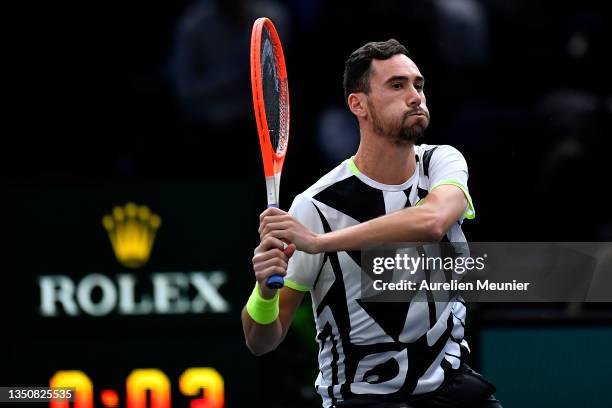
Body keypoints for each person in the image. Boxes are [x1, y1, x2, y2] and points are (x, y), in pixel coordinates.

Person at [241, 39, 501, 408]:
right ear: (357, 104)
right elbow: (260, 341)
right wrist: (263, 294)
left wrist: (320, 243)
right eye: (397, 85)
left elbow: (433, 220)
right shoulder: (314, 207)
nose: (415, 96)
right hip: (363, 399)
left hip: (452, 390)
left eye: (418, 85)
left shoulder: (442, 163)